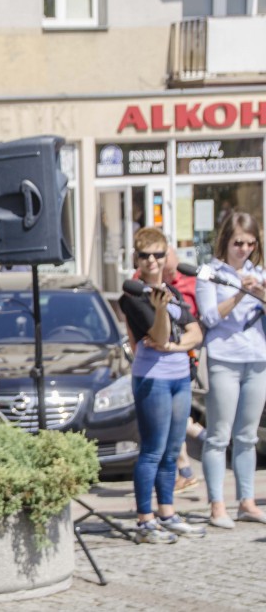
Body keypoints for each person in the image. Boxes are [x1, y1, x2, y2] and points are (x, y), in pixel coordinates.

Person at [118, 227, 205, 543]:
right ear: (136, 259)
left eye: (158, 254)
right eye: (145, 256)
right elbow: (157, 337)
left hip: (179, 375)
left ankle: (167, 513)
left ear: (166, 255)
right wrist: (160, 312)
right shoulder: (132, 296)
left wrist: (179, 347)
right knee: (152, 449)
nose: (152, 261)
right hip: (151, 378)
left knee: (172, 449)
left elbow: (195, 332)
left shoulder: (174, 291)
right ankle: (145, 520)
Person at [194, 212, 266, 529]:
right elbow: (208, 317)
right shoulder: (210, 272)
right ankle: (217, 505)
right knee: (219, 435)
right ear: (226, 240)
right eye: (239, 242)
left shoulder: (258, 271)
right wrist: (240, 293)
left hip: (257, 356)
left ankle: (246, 501)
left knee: (247, 436)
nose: (244, 249)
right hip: (224, 358)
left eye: (251, 243)